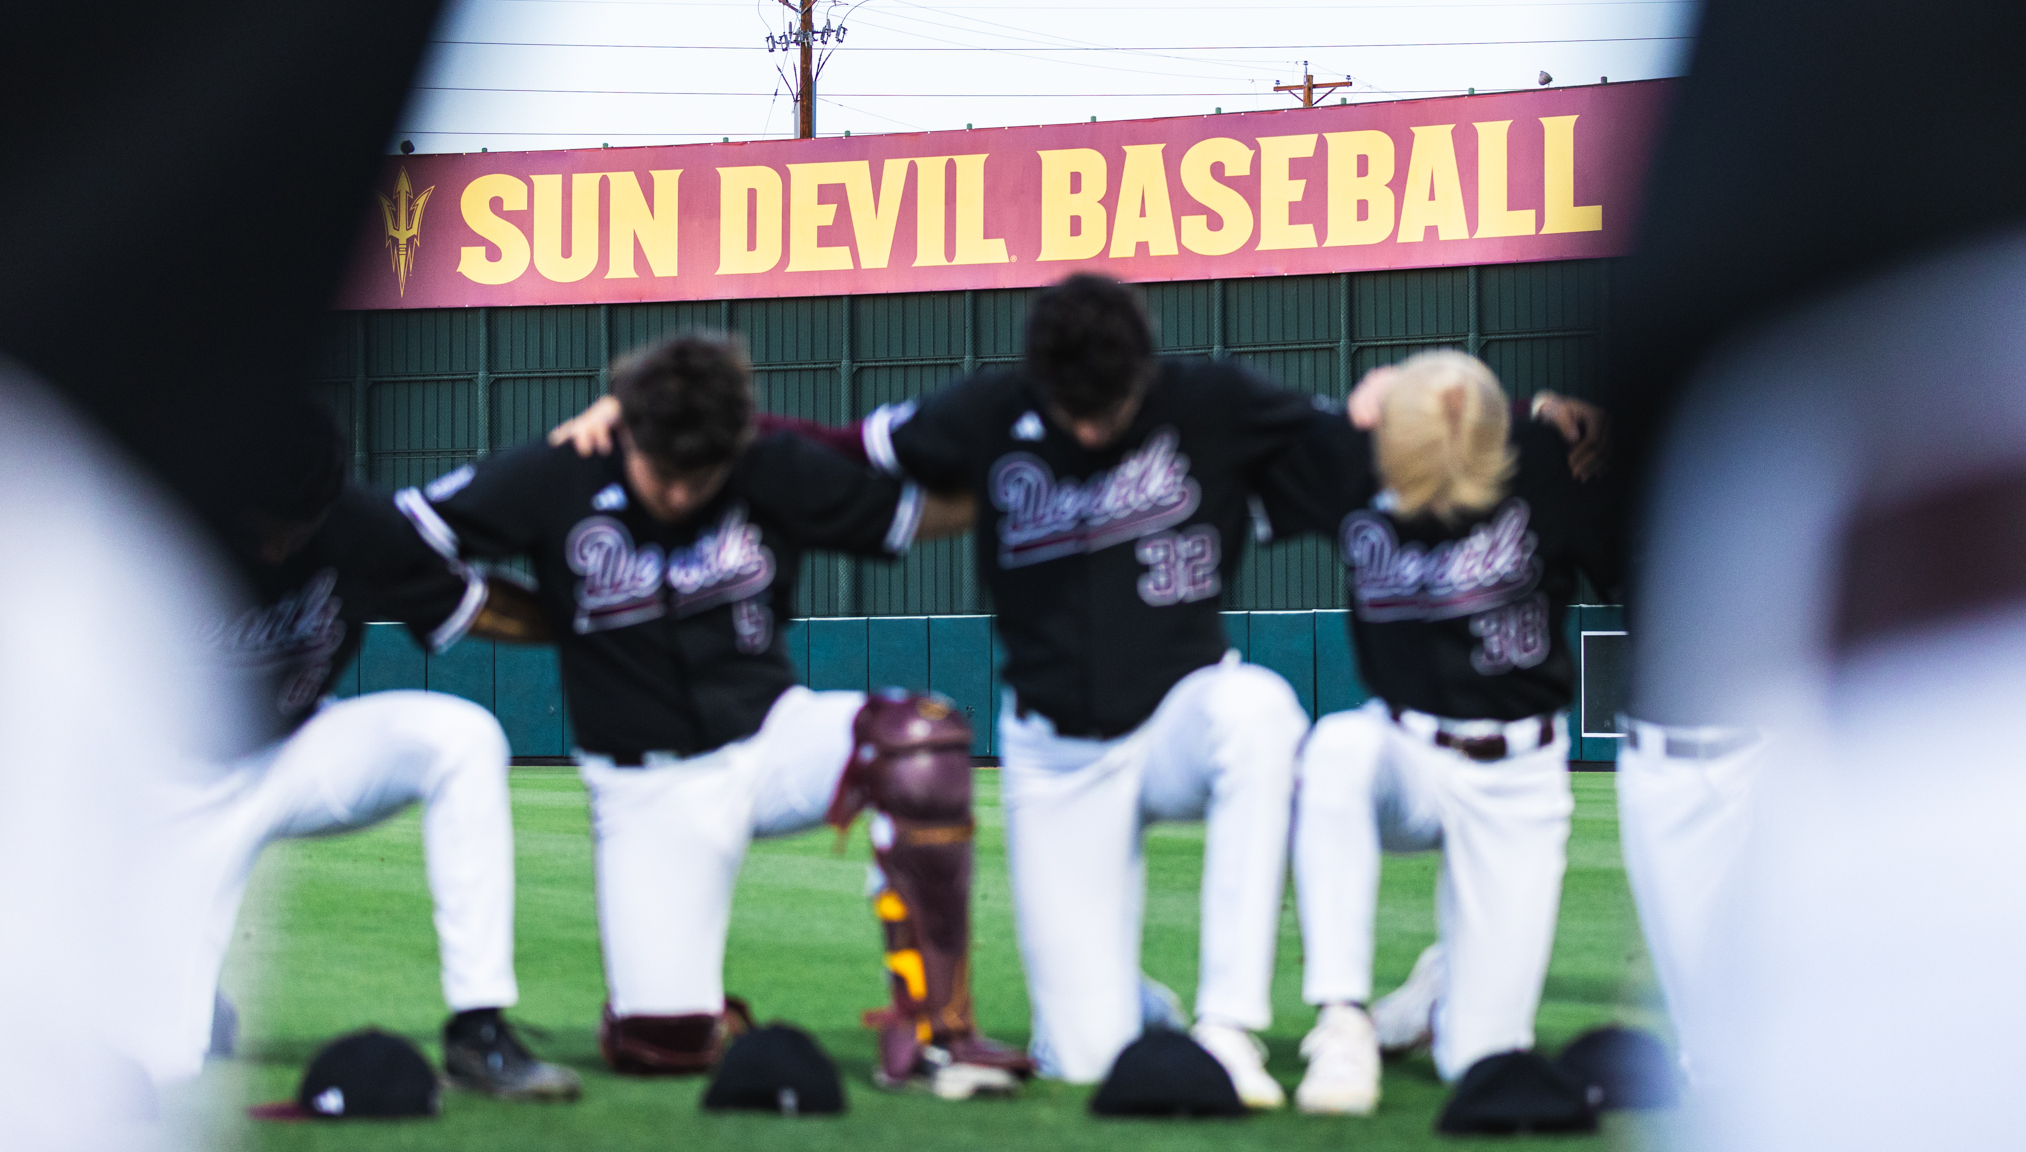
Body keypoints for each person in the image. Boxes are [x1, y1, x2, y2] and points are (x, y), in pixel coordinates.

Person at [549, 276, 1319, 1107]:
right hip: (1059, 755)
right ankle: (1124, 1000)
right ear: (1036, 378)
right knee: (1088, 1057)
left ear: (1147, 370)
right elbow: (841, 445)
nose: (1092, 426)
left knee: (1260, 711)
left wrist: (1397, 401)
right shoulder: (991, 413)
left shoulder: (1217, 399)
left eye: (1110, 404)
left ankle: (1228, 1027)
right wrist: (667, 429)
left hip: (1178, 715)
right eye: (1072, 406)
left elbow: (1349, 445)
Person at [394, 332, 1028, 1099]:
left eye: (704, 474)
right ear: (626, 429)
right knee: (662, 1047)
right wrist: (514, 614)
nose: (682, 494)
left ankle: (937, 1033)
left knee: (918, 740)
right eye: (665, 471)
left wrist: (1042, 477)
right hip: (647, 786)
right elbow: (407, 533)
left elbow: (920, 510)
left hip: (770, 738)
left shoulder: (768, 465)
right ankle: (676, 1010)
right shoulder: (557, 473)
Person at [131, 399, 580, 1101]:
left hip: (297, 750)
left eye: (296, 530)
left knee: (462, 738)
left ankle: (478, 1029)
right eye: (261, 532)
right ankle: (178, 999)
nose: (278, 550)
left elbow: (478, 604)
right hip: (169, 790)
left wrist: (595, 620)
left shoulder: (354, 524)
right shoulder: (157, 526)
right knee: (164, 1065)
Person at [1262, 351, 1614, 1113]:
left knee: (1481, 1062)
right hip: (1405, 753)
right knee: (1337, 749)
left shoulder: (1554, 457)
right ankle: (1342, 1019)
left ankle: (1438, 994)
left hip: (1519, 774)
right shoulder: (1350, 457)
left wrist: (1544, 410)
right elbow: (1227, 418)